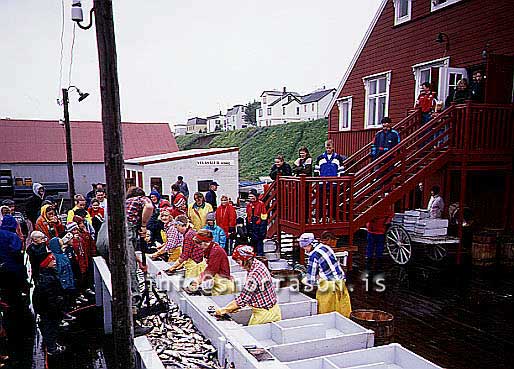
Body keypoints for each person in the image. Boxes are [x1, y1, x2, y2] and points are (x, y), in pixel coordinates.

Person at [215, 245, 281, 325]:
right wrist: (234, 307)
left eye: (239, 262)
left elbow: (242, 300)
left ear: (245, 260)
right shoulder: (257, 264)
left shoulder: (254, 275)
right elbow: (253, 293)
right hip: (273, 310)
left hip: (265, 315)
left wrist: (224, 310)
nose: (238, 265)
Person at [299, 232, 352, 317]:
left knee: (325, 311)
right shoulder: (326, 247)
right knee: (341, 309)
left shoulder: (313, 256)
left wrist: (303, 279)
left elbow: (311, 280)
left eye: (305, 247)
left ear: (311, 244)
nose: (305, 250)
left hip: (328, 285)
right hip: (340, 281)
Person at [125, 187, 154, 334]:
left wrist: (139, 261)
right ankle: (133, 324)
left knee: (124, 274)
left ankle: (128, 317)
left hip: (108, 237)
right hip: (124, 233)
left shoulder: (124, 204)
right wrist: (143, 225)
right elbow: (149, 206)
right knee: (131, 277)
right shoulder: (140, 199)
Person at [32, 253, 66, 355]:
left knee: (51, 326)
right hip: (49, 309)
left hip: (48, 308)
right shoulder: (47, 279)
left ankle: (52, 345)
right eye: (52, 261)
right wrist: (56, 307)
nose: (55, 262)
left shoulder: (47, 274)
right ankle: (52, 348)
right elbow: (49, 297)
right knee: (50, 327)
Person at [191, 229, 235, 296]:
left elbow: (210, 271)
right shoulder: (210, 249)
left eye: (200, 244)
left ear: (206, 242)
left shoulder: (216, 251)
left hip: (223, 285)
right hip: (217, 282)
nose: (198, 246)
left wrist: (196, 282)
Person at [246, 189, 268, 256]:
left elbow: (264, 217)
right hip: (251, 225)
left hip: (259, 225)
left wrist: (262, 228)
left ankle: (260, 256)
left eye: (252, 196)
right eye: (249, 196)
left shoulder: (261, 204)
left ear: (256, 196)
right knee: (252, 242)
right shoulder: (249, 205)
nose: (251, 198)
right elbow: (247, 216)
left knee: (259, 242)